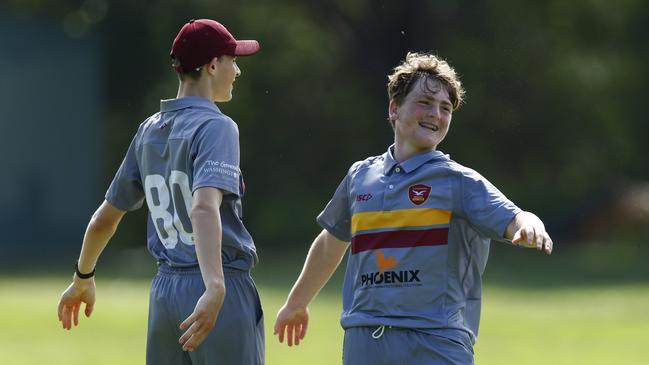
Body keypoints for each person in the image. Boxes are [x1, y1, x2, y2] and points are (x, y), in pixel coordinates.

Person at [274, 52, 553, 364]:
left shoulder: (456, 180)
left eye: (445, 108)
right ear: (394, 109)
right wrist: (297, 302)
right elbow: (332, 240)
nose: (435, 113)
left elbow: (513, 215)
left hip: (435, 341)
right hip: (365, 340)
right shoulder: (360, 176)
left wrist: (530, 224)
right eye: (425, 102)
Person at [57, 19, 264, 365]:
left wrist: (83, 277)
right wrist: (214, 286)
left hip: (165, 293)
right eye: (233, 59)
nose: (238, 70)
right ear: (213, 65)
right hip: (217, 282)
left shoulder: (149, 130)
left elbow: (104, 219)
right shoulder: (218, 126)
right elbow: (203, 208)